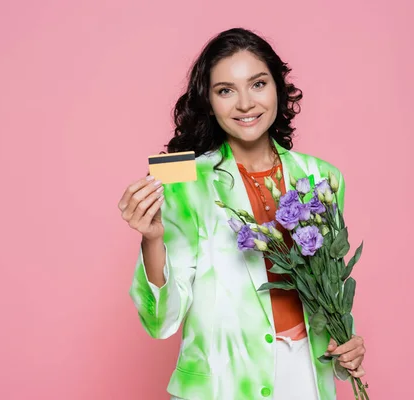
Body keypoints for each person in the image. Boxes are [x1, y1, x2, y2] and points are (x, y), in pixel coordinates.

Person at [118, 27, 366, 400]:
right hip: (223, 382)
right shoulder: (185, 183)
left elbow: (325, 288)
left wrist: (346, 343)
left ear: (279, 88)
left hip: (307, 378)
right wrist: (152, 239)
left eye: (258, 84)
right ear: (209, 101)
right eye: (225, 91)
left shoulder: (322, 178)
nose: (245, 104)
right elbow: (161, 322)